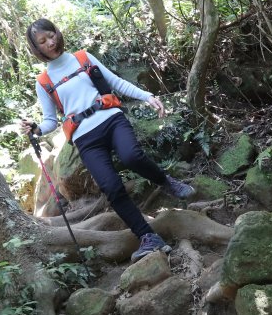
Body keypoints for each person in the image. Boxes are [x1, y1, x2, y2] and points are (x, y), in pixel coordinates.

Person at [20, 18, 195, 262]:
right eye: (43, 41)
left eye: (51, 35)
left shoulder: (82, 58)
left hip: (110, 119)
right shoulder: (44, 82)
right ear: (36, 49)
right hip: (84, 137)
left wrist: (147, 96)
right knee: (111, 188)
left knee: (132, 156)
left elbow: (114, 81)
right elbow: (50, 120)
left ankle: (165, 181)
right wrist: (36, 129)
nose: (50, 42)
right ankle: (148, 236)